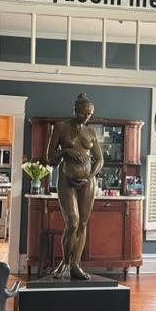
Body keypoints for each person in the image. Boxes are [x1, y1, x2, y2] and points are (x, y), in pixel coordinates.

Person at [46, 93, 103, 280]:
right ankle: (64, 262)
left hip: (88, 182)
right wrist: (66, 151)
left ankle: (76, 264)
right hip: (66, 180)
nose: (86, 117)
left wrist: (89, 176)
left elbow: (100, 160)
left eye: (89, 114)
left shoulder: (91, 132)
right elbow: (50, 158)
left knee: (83, 224)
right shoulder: (61, 127)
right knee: (73, 223)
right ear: (75, 110)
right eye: (82, 113)